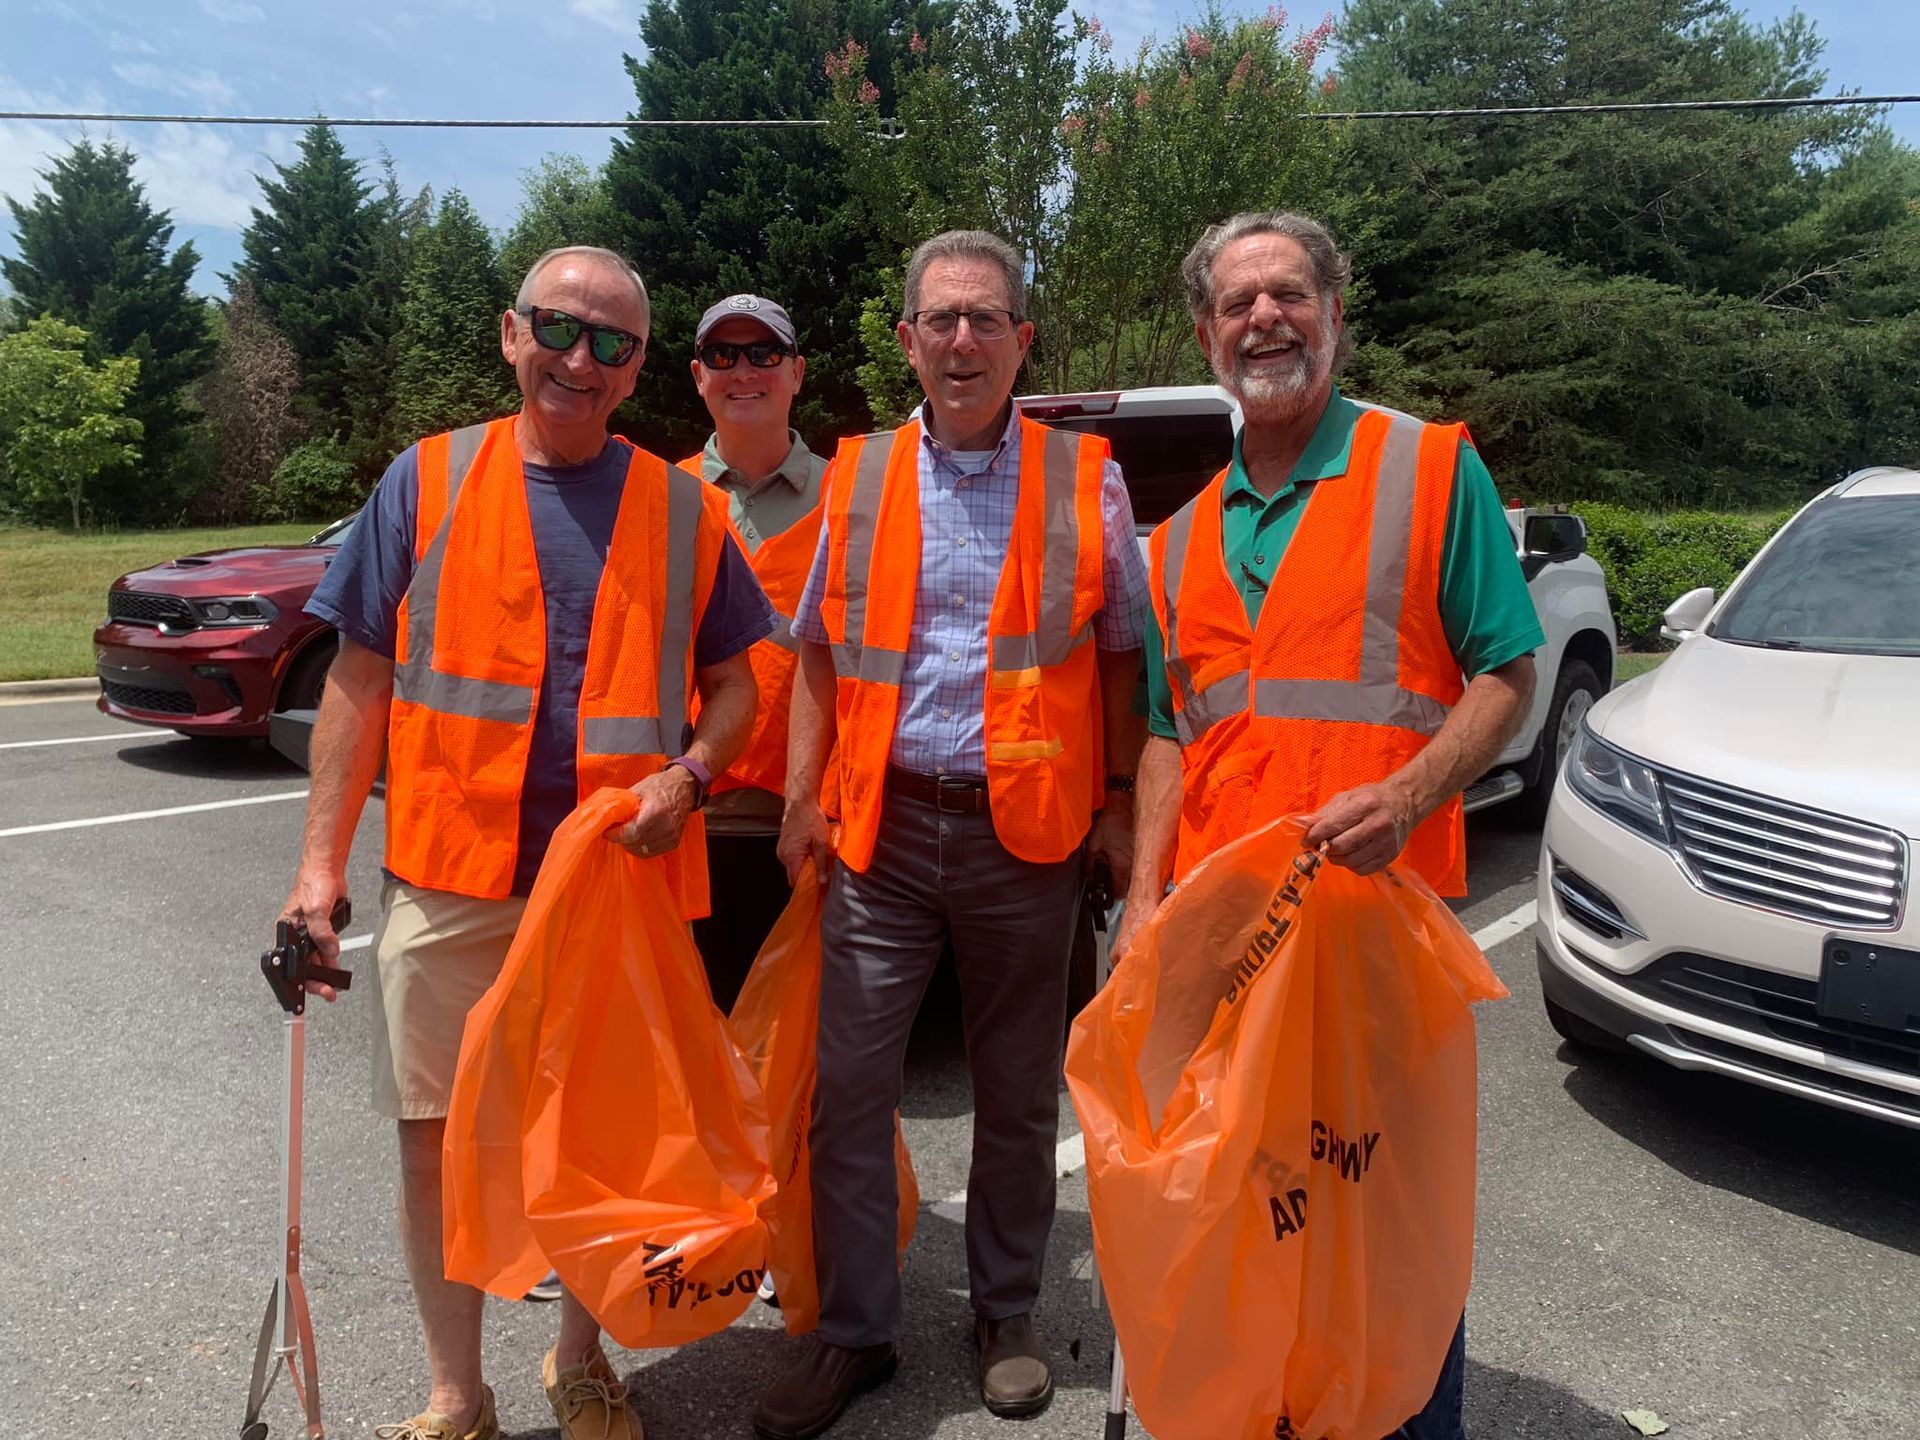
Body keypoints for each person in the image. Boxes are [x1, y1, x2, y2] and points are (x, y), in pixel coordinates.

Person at [279, 245, 773, 1440]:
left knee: (601, 1145)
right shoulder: (428, 479)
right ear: (511, 333)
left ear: (640, 366)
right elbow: (360, 677)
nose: (580, 360)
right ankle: (458, 1392)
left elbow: (738, 688)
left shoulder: (681, 505)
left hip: (617, 892)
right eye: (559, 329)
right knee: (434, 1145)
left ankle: (581, 1363)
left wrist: (693, 775)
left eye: (611, 343)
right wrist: (317, 870)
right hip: (450, 878)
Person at [1116, 210, 1544, 1439]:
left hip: (1373, 946)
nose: (1265, 318)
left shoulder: (1424, 468)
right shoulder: (1185, 537)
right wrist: (1145, 895)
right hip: (1232, 953)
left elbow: (1507, 674)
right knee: (1261, 1208)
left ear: (1334, 313)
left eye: (1288, 293)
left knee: (1384, 1219)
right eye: (1238, 302)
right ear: (1206, 334)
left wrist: (1411, 793)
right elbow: (1166, 734)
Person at [755, 229, 1150, 1440]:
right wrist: (803, 793)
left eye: (987, 320)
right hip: (879, 836)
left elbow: (1129, 649)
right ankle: (855, 1333)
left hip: (1029, 842)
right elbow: (818, 644)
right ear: (909, 342)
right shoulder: (861, 475)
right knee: (850, 1092)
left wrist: (1125, 801)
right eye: (942, 320)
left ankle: (1008, 1311)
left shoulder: (1088, 480)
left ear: (1023, 341)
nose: (964, 341)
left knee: (1020, 1095)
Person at [677, 293, 829, 1011]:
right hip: (683, 822)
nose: (744, 370)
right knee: (687, 1059)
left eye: (764, 353)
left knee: (802, 1073)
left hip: (811, 828)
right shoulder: (656, 495)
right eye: (723, 355)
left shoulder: (855, 495)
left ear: (796, 372)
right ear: (698, 375)